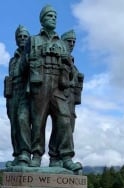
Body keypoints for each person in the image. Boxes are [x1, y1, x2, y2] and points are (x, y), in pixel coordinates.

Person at [24, 5, 82, 172]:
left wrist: (68, 62)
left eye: (55, 16)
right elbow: (24, 67)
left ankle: (65, 156)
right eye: (49, 16)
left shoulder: (63, 44)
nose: (53, 18)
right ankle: (36, 155)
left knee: (64, 120)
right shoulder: (33, 40)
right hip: (40, 84)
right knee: (38, 121)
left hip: (58, 85)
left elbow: (71, 71)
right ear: (42, 19)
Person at [48, 29, 84, 168]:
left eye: (74, 41)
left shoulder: (72, 63)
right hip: (58, 95)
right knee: (63, 125)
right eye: (69, 41)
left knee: (66, 128)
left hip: (71, 101)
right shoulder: (60, 59)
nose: (72, 43)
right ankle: (58, 156)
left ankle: (57, 158)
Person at [4, 25, 31, 167]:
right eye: (19, 36)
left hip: (26, 93)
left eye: (25, 36)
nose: (22, 39)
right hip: (12, 94)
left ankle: (26, 153)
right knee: (14, 126)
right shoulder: (12, 60)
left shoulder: (31, 55)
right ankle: (17, 155)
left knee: (22, 120)